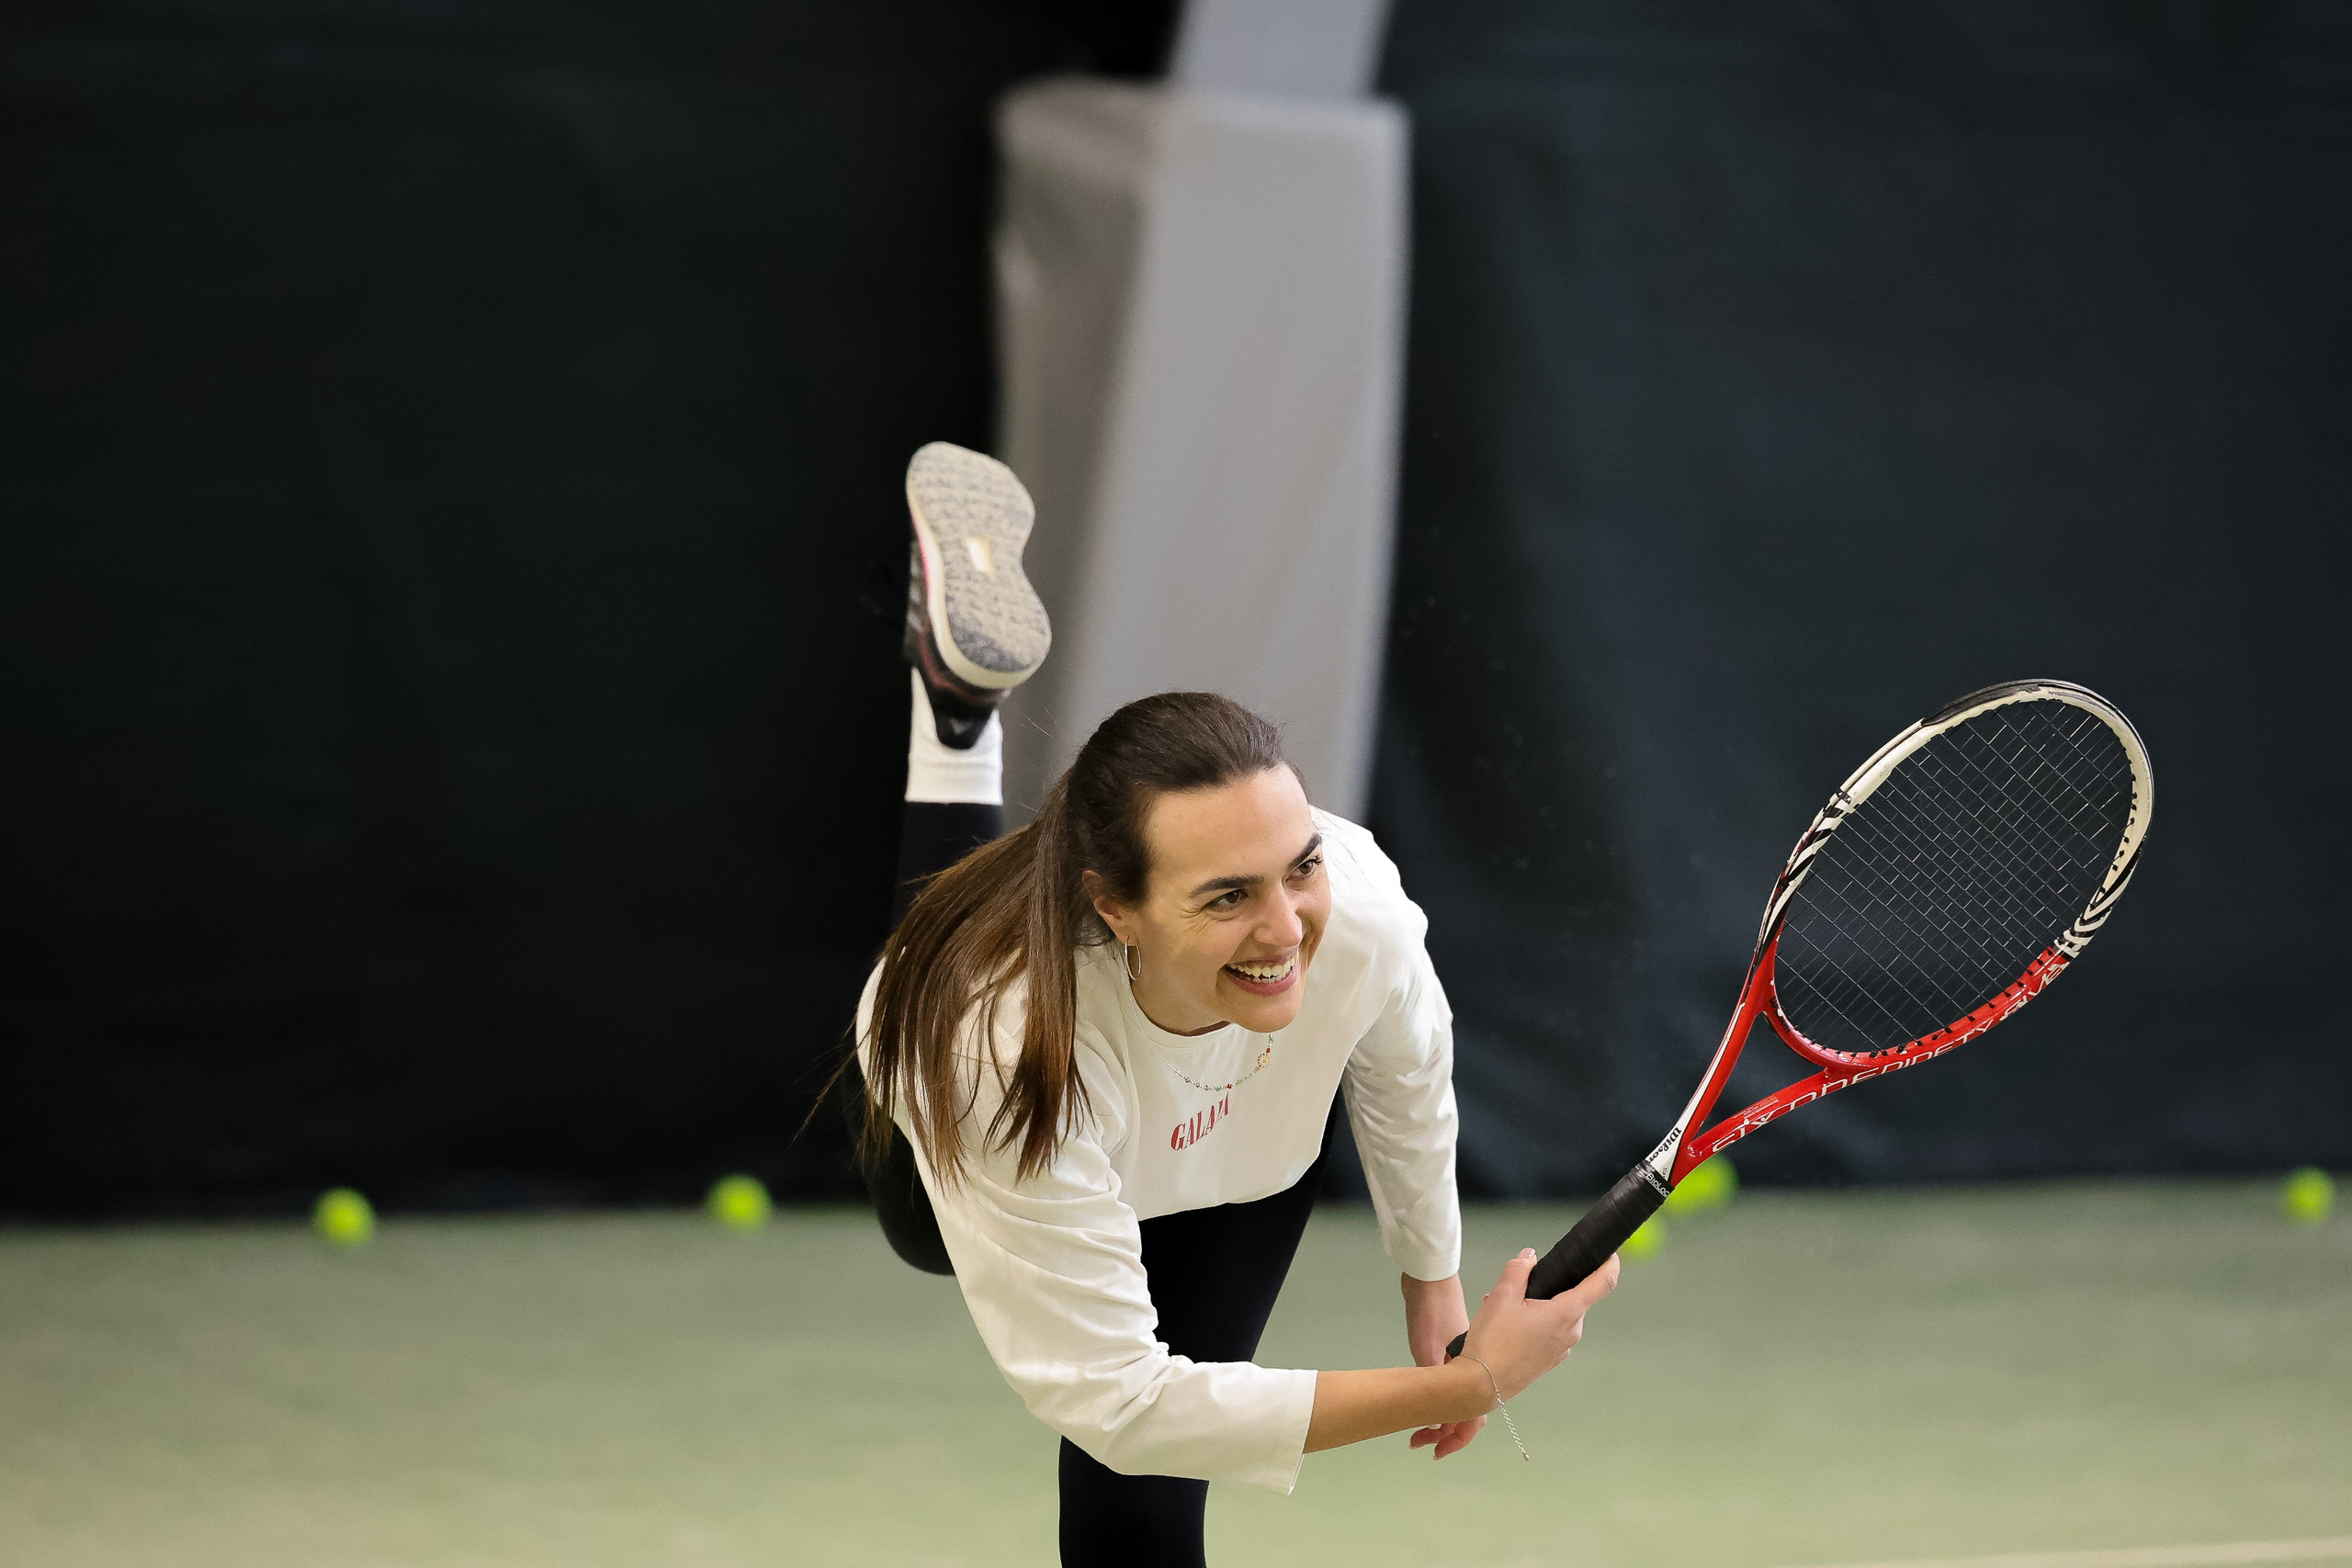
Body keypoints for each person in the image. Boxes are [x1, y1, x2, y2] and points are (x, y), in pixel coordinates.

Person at [846, 441, 1619, 1568]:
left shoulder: (1352, 911)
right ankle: (956, 716)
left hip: (1231, 1158)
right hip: (986, 1074)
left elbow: (1406, 1071)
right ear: (1112, 907)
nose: (1283, 929)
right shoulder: (1000, 1053)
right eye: (1225, 896)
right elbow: (1123, 1403)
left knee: (1143, 1512)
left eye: (1295, 865)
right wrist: (1466, 1379)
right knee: (936, 1068)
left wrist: (1433, 1281)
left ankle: (968, 710)